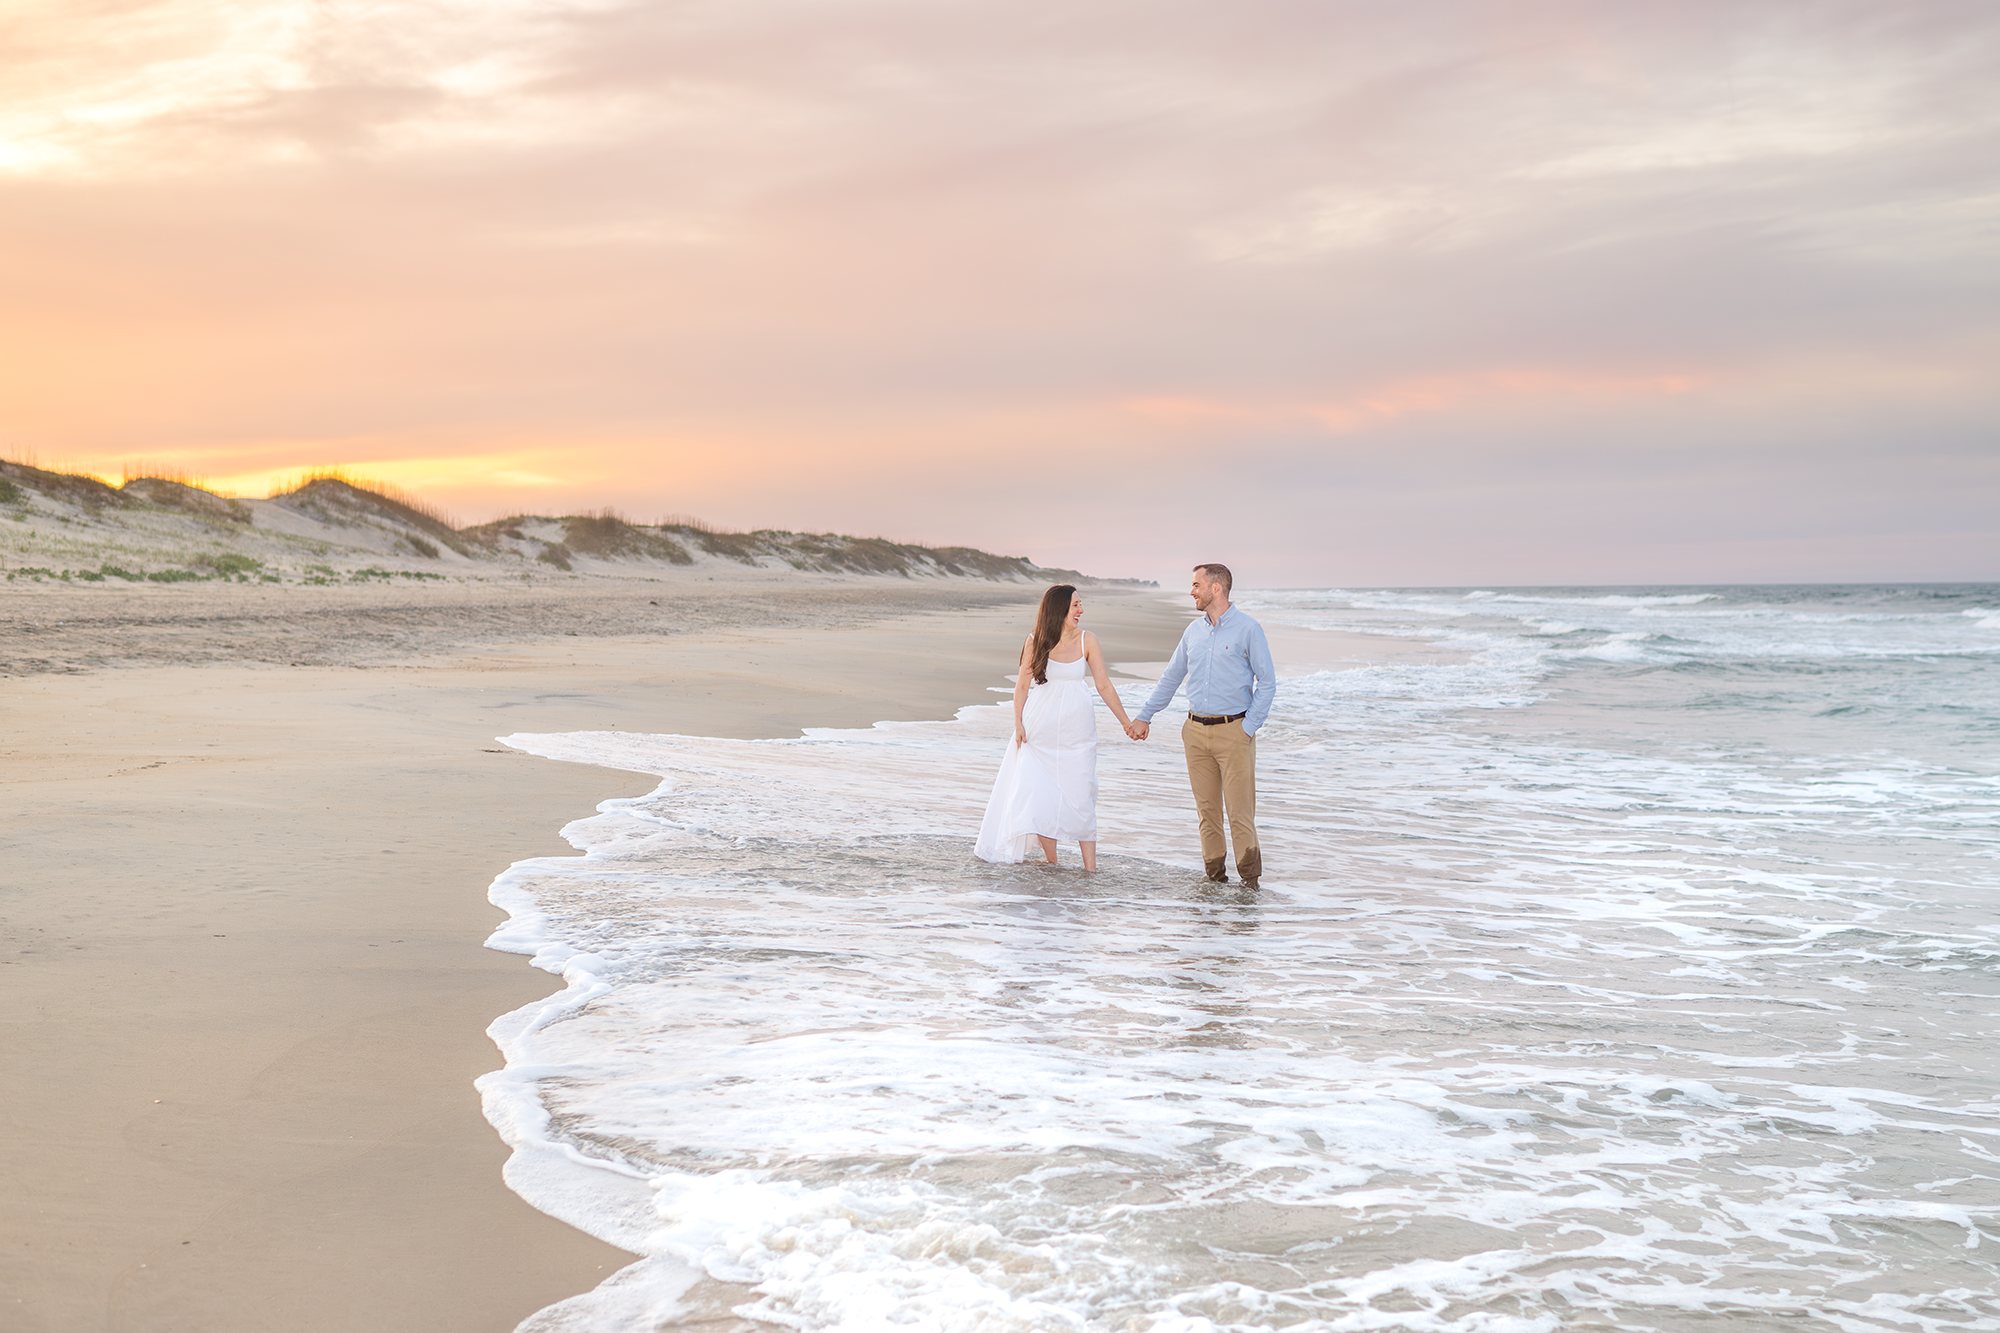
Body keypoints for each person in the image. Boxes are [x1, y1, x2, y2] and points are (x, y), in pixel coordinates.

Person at [1127, 564, 1275, 888]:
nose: (1192, 591)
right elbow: (1171, 678)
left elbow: (1267, 682)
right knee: (1207, 813)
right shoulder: (1192, 632)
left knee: (1239, 815)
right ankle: (1215, 881)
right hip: (1195, 732)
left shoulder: (1249, 629)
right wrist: (1144, 716)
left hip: (1234, 732)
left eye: (1196, 584)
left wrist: (1248, 728)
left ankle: (1250, 885)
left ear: (1216, 588)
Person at [975, 584, 1138, 870]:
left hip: (1079, 733)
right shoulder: (1035, 640)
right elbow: (1022, 686)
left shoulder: (1088, 640)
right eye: (1076, 605)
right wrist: (1018, 725)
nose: (1081, 610)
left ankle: (1091, 869)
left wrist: (1126, 722)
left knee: (1081, 792)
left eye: (1080, 605)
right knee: (1039, 793)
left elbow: (1103, 684)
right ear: (1059, 609)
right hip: (1039, 731)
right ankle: (1052, 861)